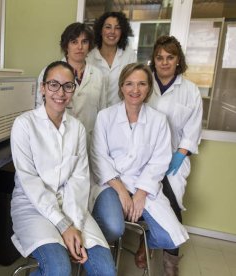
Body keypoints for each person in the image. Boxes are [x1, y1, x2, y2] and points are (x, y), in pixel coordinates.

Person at [11, 61, 116, 276]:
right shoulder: (24, 125)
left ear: (74, 90)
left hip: (72, 206)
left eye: (68, 86)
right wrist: (63, 225)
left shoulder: (77, 129)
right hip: (33, 207)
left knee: (106, 271)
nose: (61, 92)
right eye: (53, 85)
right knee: (59, 270)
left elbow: (79, 181)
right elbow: (30, 182)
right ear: (42, 88)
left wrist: (73, 225)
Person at [89, 63, 189, 275]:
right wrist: (123, 192)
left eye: (142, 84)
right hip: (110, 183)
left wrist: (141, 193)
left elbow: (159, 161)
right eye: (130, 84)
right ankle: (97, 258)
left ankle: (144, 246)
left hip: (142, 182)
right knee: (115, 227)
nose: (135, 90)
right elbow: (99, 157)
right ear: (121, 87)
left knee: (171, 236)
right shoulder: (105, 116)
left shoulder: (158, 120)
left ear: (148, 88)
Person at [147, 35, 203, 274]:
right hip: (145, 157)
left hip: (173, 158)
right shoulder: (145, 84)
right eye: (159, 57)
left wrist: (179, 156)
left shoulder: (190, 90)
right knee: (147, 204)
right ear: (154, 60)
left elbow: (193, 128)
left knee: (172, 205)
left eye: (170, 57)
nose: (165, 62)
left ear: (178, 60)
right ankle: (144, 246)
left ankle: (171, 263)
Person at [35, 22, 107, 146]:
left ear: (89, 45)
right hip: (56, 139)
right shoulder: (49, 72)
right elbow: (40, 108)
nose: (79, 47)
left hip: (89, 141)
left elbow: (103, 112)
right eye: (74, 42)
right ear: (66, 46)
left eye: (84, 42)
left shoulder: (98, 75)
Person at [86, 11, 137, 107]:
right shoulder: (89, 56)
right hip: (93, 113)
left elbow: (133, 86)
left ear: (122, 32)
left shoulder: (130, 56)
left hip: (120, 113)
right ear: (101, 31)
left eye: (117, 28)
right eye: (108, 27)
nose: (112, 32)